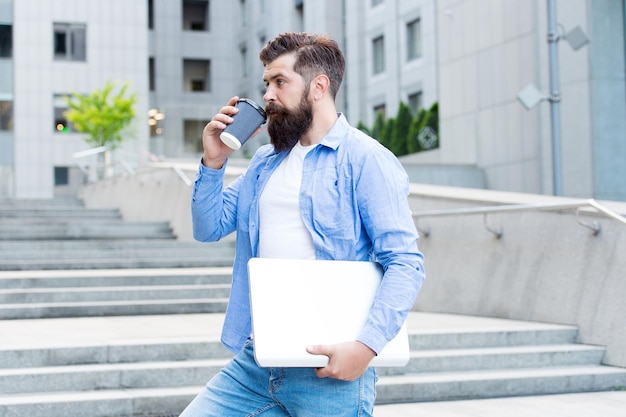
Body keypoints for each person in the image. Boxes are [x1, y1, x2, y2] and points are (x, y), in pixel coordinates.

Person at [182, 32, 425, 417]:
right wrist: (213, 162)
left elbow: (406, 263)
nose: (267, 95)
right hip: (257, 360)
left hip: (328, 367)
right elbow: (208, 227)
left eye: (280, 82)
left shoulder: (366, 160)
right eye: (266, 84)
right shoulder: (265, 162)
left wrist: (366, 348)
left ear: (318, 86)